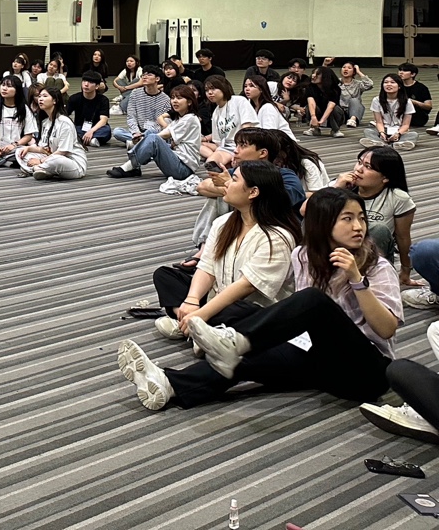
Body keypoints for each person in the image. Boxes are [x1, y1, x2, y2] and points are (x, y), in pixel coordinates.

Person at [118, 187, 401, 412]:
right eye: (348, 218)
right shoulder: (303, 256)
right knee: (239, 346)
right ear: (322, 223)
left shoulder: (376, 267)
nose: (358, 226)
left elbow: (386, 329)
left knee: (313, 301)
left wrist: (356, 280)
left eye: (361, 218)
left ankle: (232, 340)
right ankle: (170, 384)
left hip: (364, 374)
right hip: (319, 364)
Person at [149, 161, 299, 342]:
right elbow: (207, 266)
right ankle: (196, 327)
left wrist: (202, 313)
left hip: (250, 307)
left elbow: (246, 286)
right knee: (164, 276)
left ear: (253, 192)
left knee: (241, 310)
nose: (226, 183)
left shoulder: (277, 236)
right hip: (219, 298)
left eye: (234, 180)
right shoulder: (223, 222)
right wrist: (192, 300)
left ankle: (195, 326)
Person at [333, 145, 415, 284]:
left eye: (368, 167)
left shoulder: (398, 198)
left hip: (372, 254)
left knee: (378, 229)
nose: (359, 169)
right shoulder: (341, 185)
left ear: (385, 178)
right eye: (359, 162)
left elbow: (403, 237)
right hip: (338, 247)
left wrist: (405, 271)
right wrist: (335, 189)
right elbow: (305, 211)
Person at [109, 84, 201, 182]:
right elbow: (166, 131)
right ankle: (134, 165)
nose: (174, 101)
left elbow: (166, 134)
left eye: (179, 98)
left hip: (184, 169)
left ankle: (130, 166)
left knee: (153, 138)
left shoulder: (190, 118)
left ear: (189, 102)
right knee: (150, 133)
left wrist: (145, 139)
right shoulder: (179, 118)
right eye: (173, 98)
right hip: (177, 159)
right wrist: (144, 137)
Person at [15, 87, 86, 180]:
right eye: (39, 96)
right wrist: (28, 148)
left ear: (55, 101)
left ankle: (35, 168)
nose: (40, 99)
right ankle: (44, 169)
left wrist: (40, 161)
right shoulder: (45, 122)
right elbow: (44, 149)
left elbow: (63, 151)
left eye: (45, 96)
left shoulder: (64, 122)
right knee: (20, 151)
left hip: (72, 163)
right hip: (51, 158)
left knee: (57, 160)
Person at [200, 76, 256, 169]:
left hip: (246, 144)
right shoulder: (215, 113)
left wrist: (239, 151)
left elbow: (247, 128)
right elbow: (218, 142)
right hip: (226, 148)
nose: (209, 92)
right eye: (207, 90)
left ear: (223, 87)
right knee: (211, 164)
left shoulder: (239, 101)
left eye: (213, 88)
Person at [111, 66, 171, 146]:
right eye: (143, 75)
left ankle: (137, 142)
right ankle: (143, 141)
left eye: (149, 75)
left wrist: (146, 133)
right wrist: (135, 132)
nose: (145, 77)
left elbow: (161, 121)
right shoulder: (135, 93)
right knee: (117, 132)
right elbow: (131, 116)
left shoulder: (165, 99)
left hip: (154, 131)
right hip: (138, 130)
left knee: (155, 130)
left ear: (157, 79)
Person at [364, 73, 416, 150]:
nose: (388, 84)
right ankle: (382, 142)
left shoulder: (407, 102)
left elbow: (406, 124)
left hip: (398, 130)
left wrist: (398, 134)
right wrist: (382, 133)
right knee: (368, 131)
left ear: (399, 86)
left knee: (414, 134)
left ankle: (383, 143)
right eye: (386, 82)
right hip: (383, 128)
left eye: (392, 82)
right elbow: (379, 122)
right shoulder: (376, 100)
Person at [66, 71, 111, 149]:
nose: (86, 84)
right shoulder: (74, 98)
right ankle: (92, 140)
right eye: (84, 81)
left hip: (97, 128)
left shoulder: (103, 100)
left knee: (106, 130)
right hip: (80, 127)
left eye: (90, 82)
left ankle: (82, 139)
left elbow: (103, 120)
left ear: (97, 86)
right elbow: (65, 114)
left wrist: (91, 131)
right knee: (71, 129)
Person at [243, 74, 295, 140]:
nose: (247, 89)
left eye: (251, 86)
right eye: (245, 86)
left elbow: (269, 134)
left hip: (283, 143)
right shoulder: (251, 107)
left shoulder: (268, 107)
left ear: (261, 89)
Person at [304, 66, 343, 137]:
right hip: (318, 112)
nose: (313, 76)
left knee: (336, 109)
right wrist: (313, 117)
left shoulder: (335, 89)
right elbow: (311, 102)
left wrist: (322, 121)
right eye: (313, 73)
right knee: (309, 107)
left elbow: (331, 106)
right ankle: (314, 128)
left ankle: (335, 129)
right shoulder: (310, 87)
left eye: (317, 74)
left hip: (331, 114)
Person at [399, 63, 433, 133]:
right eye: (400, 70)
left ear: (413, 74)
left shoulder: (421, 88)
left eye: (405, 71)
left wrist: (413, 102)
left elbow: (428, 106)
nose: (401, 73)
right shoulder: (397, 86)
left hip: (417, 116)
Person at [338, 61, 373, 129]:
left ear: (354, 72)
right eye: (344, 67)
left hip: (354, 111)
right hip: (340, 110)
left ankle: (352, 120)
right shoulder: (336, 82)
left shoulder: (357, 84)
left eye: (349, 68)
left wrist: (359, 72)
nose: (346, 69)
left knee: (354, 100)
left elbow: (369, 84)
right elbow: (324, 81)